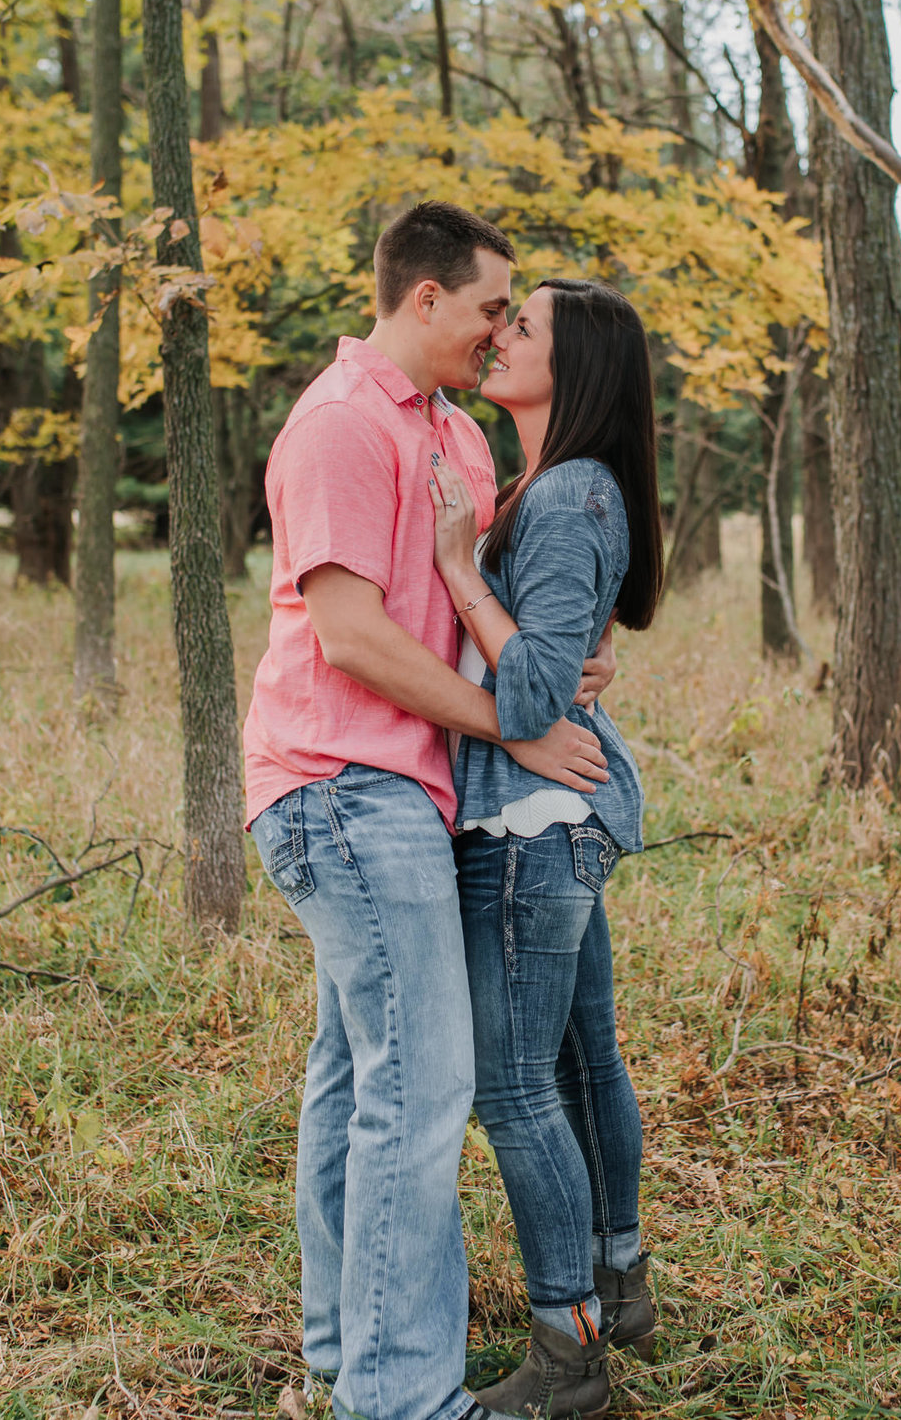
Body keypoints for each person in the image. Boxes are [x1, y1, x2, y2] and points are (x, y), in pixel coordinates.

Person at [242, 205, 617, 1420]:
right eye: (490, 307)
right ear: (422, 300)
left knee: (357, 1079)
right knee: (420, 1083)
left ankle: (343, 1354)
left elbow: (483, 615)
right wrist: (513, 722)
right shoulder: (341, 425)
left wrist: (554, 671)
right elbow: (350, 636)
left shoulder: (457, 436)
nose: (502, 327)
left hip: (416, 792)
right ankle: (402, 1398)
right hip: (339, 783)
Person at [425, 279, 665, 1420]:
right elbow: (555, 659)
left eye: (522, 327)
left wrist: (462, 566)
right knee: (581, 1063)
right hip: (551, 822)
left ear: (573, 371)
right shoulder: (556, 486)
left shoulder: (566, 494)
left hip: (529, 830)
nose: (498, 333)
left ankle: (569, 1360)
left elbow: (525, 693)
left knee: (517, 1089)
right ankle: (619, 1287)